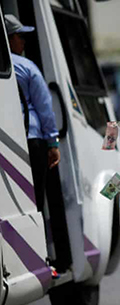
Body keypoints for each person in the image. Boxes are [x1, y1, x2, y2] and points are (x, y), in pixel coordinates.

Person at [6, 14, 60, 212]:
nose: (24, 41)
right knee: (35, 200)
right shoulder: (27, 67)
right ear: (9, 38)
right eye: (20, 36)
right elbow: (44, 107)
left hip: (7, 141)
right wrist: (52, 142)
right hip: (32, 139)